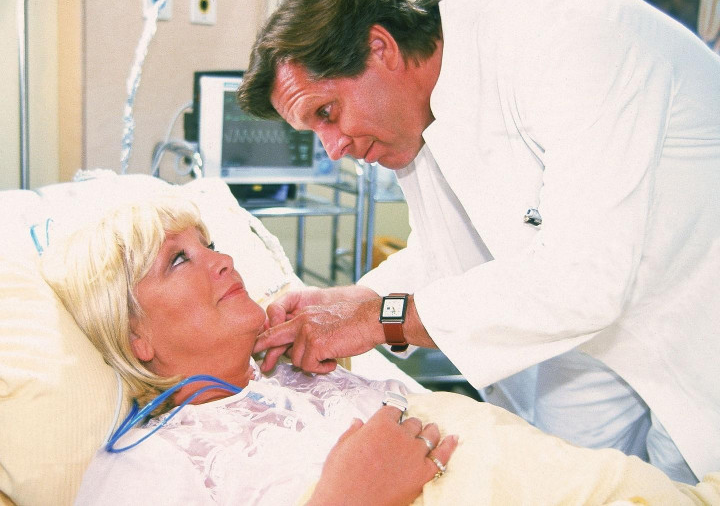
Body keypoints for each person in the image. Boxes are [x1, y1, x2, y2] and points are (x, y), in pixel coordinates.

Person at [239, 0, 720, 486]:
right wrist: (356, 300)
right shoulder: (419, 116)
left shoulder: (572, 37)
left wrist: (378, 318)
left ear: (380, 48)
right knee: (569, 482)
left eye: (328, 112)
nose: (334, 149)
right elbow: (454, 250)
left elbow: (583, 280)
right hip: (597, 346)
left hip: (696, 330)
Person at [41, 193, 720, 505]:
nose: (221, 260)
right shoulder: (147, 463)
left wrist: (356, 326)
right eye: (179, 260)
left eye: (210, 243)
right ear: (135, 336)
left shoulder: (302, 370)